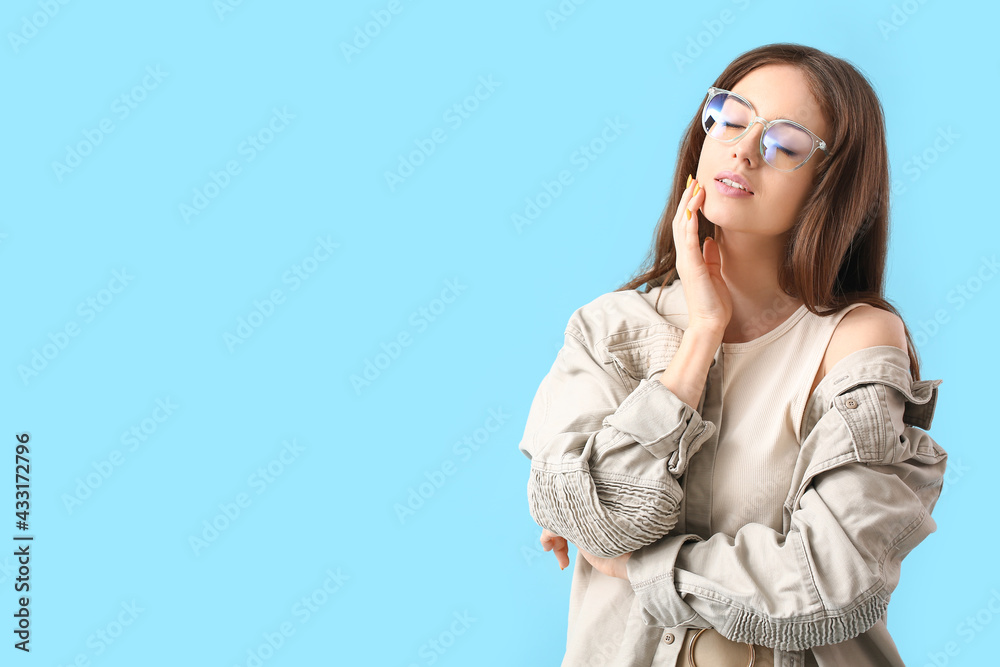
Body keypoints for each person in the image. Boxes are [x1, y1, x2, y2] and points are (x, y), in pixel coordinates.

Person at [517, 43, 947, 667]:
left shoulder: (857, 340)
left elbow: (829, 582)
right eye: (731, 117)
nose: (743, 149)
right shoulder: (608, 329)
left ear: (831, 182)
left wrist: (639, 566)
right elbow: (605, 519)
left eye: (786, 144)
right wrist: (701, 337)